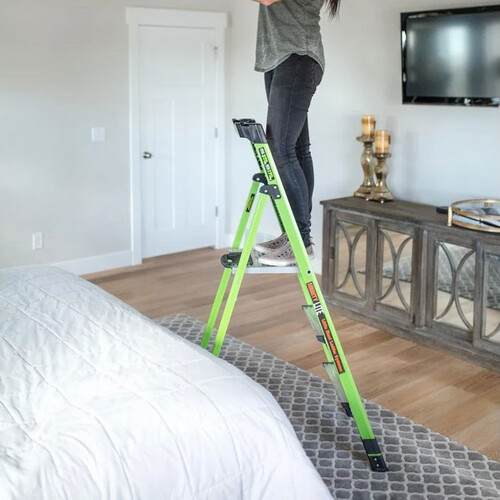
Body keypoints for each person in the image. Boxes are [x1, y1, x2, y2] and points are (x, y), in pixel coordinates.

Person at [251, 0, 340, 266]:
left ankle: (300, 240)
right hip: (281, 59)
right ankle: (294, 235)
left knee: (280, 148)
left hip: (297, 58)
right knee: (297, 151)